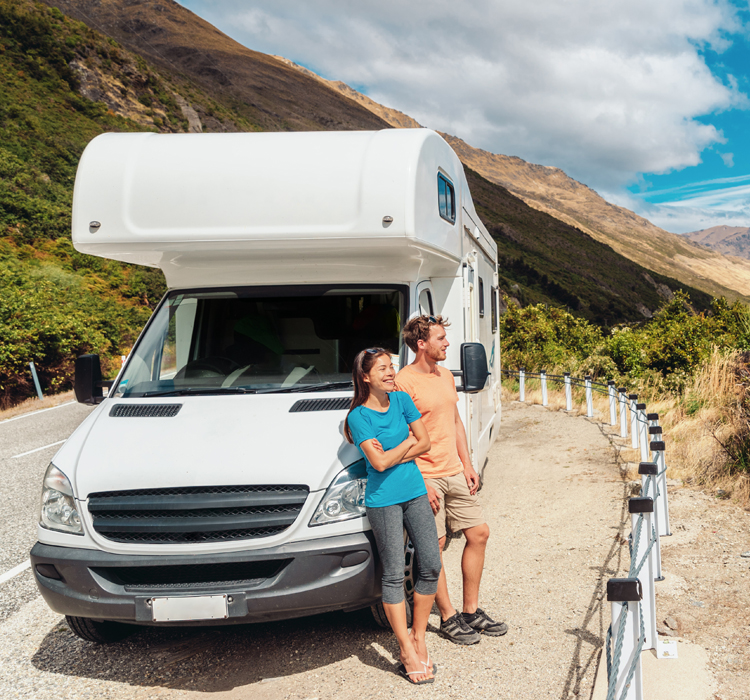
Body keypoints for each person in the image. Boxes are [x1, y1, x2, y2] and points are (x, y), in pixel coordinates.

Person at [396, 316, 507, 645]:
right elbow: (400, 435)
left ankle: (471, 611)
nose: (447, 344)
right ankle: (448, 617)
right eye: (441, 339)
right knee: (437, 546)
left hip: (453, 471)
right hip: (426, 476)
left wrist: (467, 463)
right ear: (421, 344)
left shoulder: (444, 375)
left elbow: (455, 421)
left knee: (479, 533)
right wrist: (420, 479)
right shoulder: (404, 382)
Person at [344, 348, 441, 684]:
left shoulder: (401, 401)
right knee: (394, 573)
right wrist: (404, 447)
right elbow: (379, 464)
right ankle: (405, 649)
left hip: (415, 491)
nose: (390, 372)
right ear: (366, 376)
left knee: (430, 564)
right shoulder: (358, 417)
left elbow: (425, 442)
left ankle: (419, 636)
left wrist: (393, 452)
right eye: (382, 368)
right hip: (383, 500)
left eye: (391, 367)